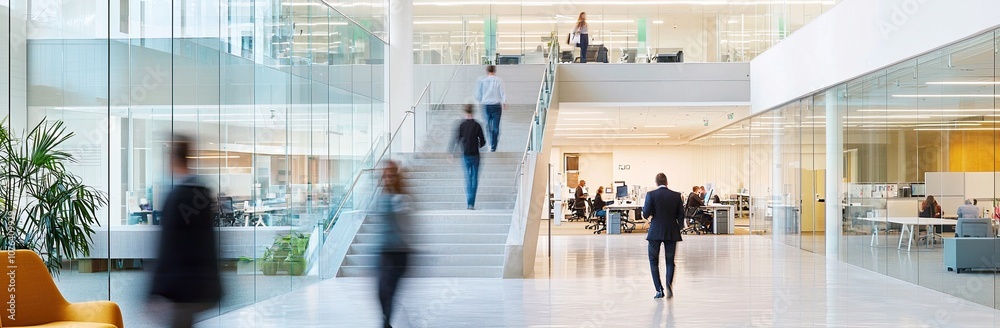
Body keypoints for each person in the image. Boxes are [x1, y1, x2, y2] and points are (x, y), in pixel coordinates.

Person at [150, 135, 222, 328]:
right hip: (202, 283)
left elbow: (168, 246)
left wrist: (155, 290)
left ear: (172, 159)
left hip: (181, 286)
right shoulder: (202, 192)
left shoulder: (177, 197)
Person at [376, 160, 411, 328]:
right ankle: (386, 319)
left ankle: (386, 322)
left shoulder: (401, 198)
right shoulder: (381, 196)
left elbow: (406, 222)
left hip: (399, 251)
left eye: (391, 175)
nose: (388, 178)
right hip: (384, 250)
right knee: (381, 290)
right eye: (386, 175)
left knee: (389, 289)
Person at [642, 173, 685, 299]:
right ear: (667, 182)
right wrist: (678, 228)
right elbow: (681, 215)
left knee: (653, 261)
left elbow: (645, 213)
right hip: (671, 232)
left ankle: (659, 290)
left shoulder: (651, 195)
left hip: (655, 232)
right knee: (670, 261)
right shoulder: (676, 195)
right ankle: (668, 284)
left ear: (656, 183)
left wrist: (648, 214)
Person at [454, 104, 486, 210]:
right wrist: (477, 144)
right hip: (476, 155)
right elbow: (483, 142)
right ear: (473, 112)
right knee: (474, 179)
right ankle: (472, 203)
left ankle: (469, 203)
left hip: (466, 155)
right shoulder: (477, 125)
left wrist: (454, 152)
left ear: (465, 112)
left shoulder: (462, 125)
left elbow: (457, 139)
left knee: (468, 179)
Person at [475, 65, 507, 152]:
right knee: (496, 127)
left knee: (488, 125)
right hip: (496, 105)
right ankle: (494, 145)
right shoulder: (499, 80)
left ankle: (490, 142)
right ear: (494, 71)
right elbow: (502, 92)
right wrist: (504, 102)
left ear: (487, 71)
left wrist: (481, 100)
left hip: (486, 105)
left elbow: (478, 93)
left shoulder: (482, 80)